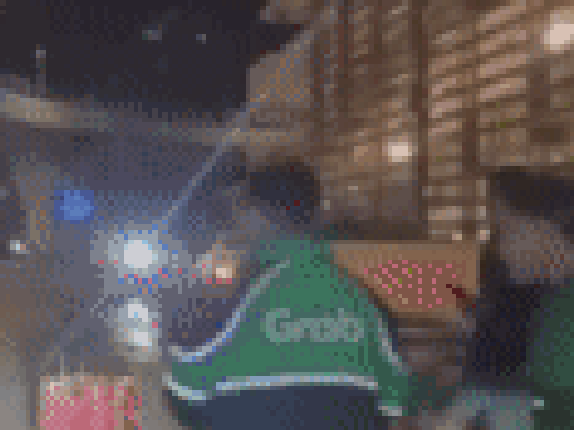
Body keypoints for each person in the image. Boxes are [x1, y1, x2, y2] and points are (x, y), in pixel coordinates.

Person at [163, 163, 449, 430]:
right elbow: (395, 403)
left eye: (241, 210)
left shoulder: (231, 300)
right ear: (315, 216)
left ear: (256, 215)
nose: (237, 223)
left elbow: (184, 398)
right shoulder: (367, 305)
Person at [429, 167, 574, 430]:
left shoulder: (564, 313)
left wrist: (476, 404)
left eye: (506, 231)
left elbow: (552, 407)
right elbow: (533, 390)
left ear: (544, 230)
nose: (500, 248)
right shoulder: (553, 303)